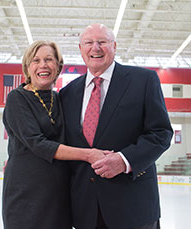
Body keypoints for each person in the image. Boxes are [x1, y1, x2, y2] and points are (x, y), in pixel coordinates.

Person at [59, 24, 173, 229]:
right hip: (86, 211)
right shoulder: (67, 93)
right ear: (80, 48)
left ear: (114, 46)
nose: (95, 48)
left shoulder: (143, 80)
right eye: (89, 43)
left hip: (133, 207)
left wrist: (124, 160)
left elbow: (161, 133)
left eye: (102, 42)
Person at [2, 40, 108, 229]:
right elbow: (37, 143)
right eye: (36, 60)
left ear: (58, 67)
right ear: (27, 67)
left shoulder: (60, 98)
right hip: (26, 193)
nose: (43, 65)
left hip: (59, 194)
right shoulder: (17, 98)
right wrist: (89, 154)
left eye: (49, 60)